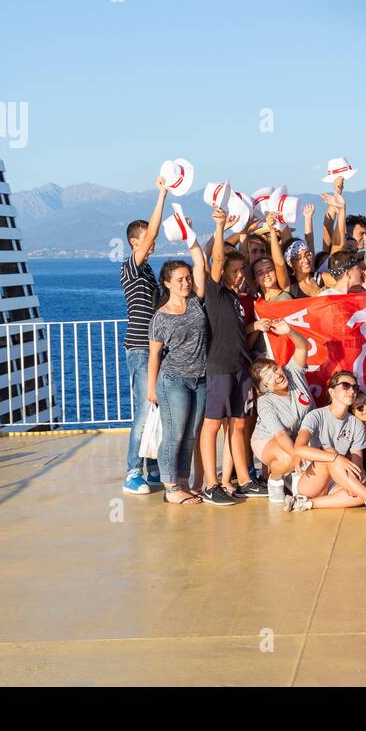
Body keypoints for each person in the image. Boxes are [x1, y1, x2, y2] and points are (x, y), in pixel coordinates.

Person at [196, 207, 266, 505]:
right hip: (220, 366)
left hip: (241, 366)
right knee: (212, 424)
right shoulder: (215, 291)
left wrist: (254, 325)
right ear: (223, 272)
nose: (240, 276)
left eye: (242, 271)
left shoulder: (238, 300)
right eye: (235, 271)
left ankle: (245, 480)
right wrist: (221, 226)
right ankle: (211, 484)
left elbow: (236, 330)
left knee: (238, 423)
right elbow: (218, 258)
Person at [146, 245, 210, 506]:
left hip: (201, 379)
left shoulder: (196, 301)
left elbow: (201, 265)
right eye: (180, 279)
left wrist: (192, 239)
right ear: (167, 283)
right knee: (174, 433)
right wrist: (151, 389)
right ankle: (170, 486)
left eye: (188, 278)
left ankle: (182, 481)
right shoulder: (160, 317)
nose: (186, 282)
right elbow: (154, 356)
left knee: (191, 434)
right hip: (174, 381)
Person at [286, 371, 366, 516]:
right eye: (345, 386)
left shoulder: (356, 423)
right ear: (332, 391)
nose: (351, 390)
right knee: (330, 454)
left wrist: (357, 478)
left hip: (336, 480)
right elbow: (299, 448)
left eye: (354, 388)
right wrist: (337, 458)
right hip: (311, 479)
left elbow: (357, 463)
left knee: (359, 492)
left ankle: (305, 503)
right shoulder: (316, 415)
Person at [120, 175, 168, 494]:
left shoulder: (149, 270)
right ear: (135, 243)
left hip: (153, 349)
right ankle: (130, 472)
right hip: (139, 349)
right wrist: (162, 194)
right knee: (143, 411)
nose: (152, 243)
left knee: (155, 410)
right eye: (147, 239)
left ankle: (149, 467)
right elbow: (152, 231)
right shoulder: (132, 267)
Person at [250, 320, 316, 499]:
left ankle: (294, 479)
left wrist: (289, 332)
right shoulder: (265, 402)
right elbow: (280, 436)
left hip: (297, 435)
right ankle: (274, 479)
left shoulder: (292, 372)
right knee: (289, 459)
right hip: (268, 438)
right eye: (268, 377)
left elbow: (302, 347)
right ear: (264, 387)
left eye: (274, 369)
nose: (277, 375)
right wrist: (297, 454)